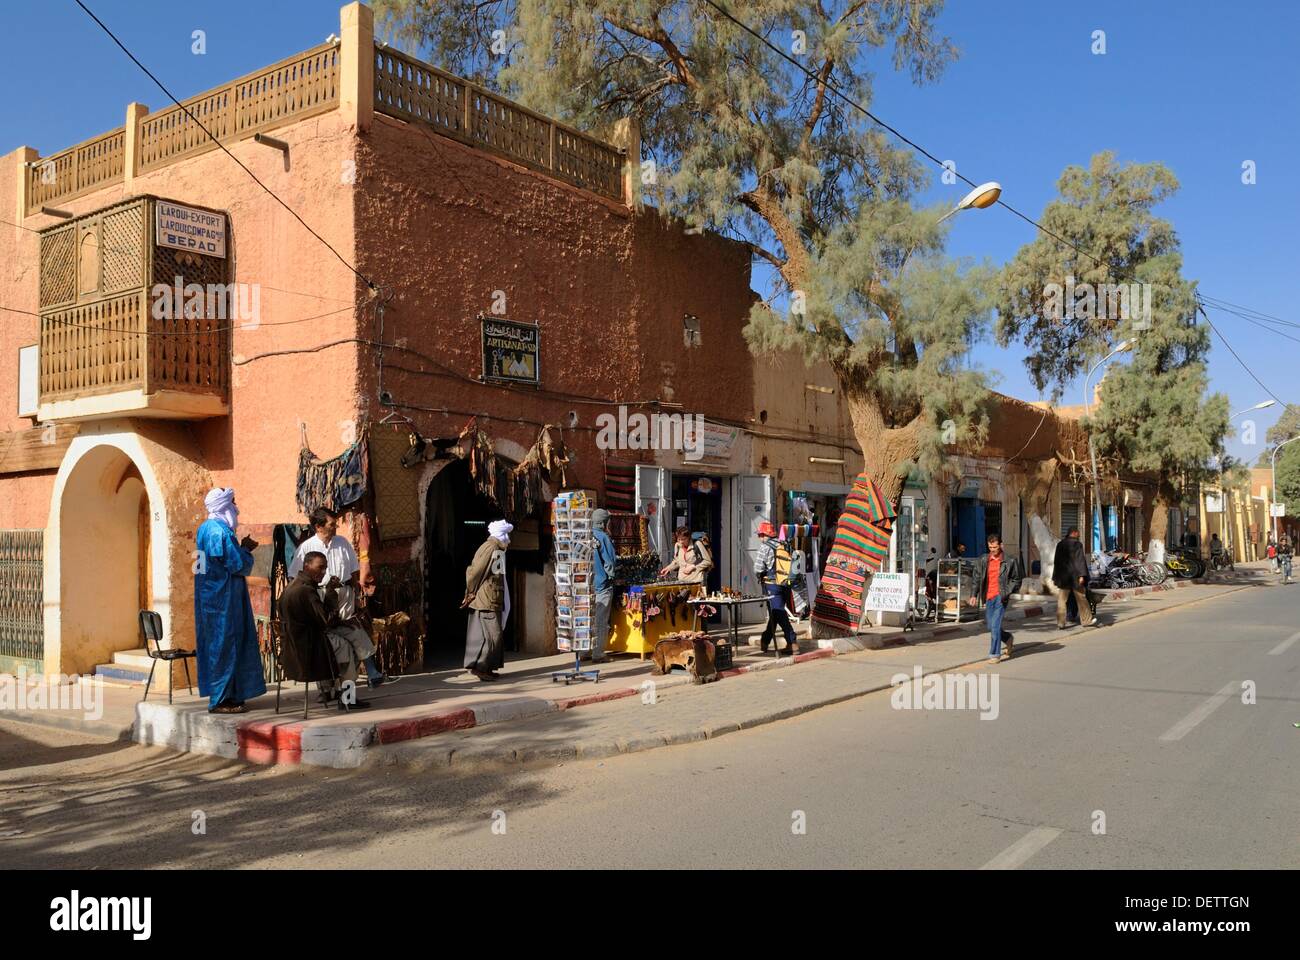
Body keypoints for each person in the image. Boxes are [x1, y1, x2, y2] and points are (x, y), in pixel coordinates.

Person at [288, 507, 386, 690]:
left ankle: (351, 686)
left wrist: (356, 597)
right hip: (320, 598)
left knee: (352, 634)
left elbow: (353, 572)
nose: (335, 528)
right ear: (318, 527)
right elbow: (295, 576)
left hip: (344, 595)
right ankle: (331, 688)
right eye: (332, 525)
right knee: (344, 637)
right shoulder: (306, 548)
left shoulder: (342, 543)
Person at [194, 488, 266, 714]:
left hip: (209, 596)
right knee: (226, 645)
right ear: (224, 505)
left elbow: (200, 564)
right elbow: (237, 565)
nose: (236, 508)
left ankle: (230, 694)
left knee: (218, 645)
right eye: (233, 503)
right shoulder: (220, 533)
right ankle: (221, 699)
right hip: (223, 600)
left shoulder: (204, 529)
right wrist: (245, 549)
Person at [279, 551, 371, 711]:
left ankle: (333, 689)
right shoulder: (306, 591)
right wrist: (330, 593)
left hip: (294, 644)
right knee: (348, 649)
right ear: (306, 566)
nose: (323, 573)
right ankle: (347, 697)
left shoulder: (291, 587)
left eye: (325, 568)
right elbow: (326, 621)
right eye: (320, 568)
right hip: (309, 645)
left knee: (348, 637)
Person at [463, 519, 512, 681]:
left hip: (493, 598)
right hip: (487, 599)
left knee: (492, 636)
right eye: (507, 536)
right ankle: (481, 668)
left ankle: (488, 668)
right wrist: (470, 592)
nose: (509, 540)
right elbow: (476, 572)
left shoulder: (497, 548)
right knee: (493, 636)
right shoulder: (490, 548)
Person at [968, 533, 1022, 662]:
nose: (992, 550)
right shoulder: (983, 560)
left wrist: (1006, 592)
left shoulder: (1010, 561)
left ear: (1001, 545)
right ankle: (1008, 638)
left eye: (995, 547)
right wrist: (973, 595)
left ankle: (994, 654)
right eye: (990, 548)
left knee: (995, 625)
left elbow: (1017, 579)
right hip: (988, 596)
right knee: (990, 626)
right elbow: (976, 578)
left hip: (1000, 597)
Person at [755, 520, 798, 655]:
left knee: (779, 613)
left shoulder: (765, 547)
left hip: (772, 584)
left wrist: (760, 575)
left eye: (760, 535)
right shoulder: (784, 544)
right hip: (786, 583)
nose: (759, 538)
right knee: (775, 613)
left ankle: (792, 642)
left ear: (764, 534)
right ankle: (765, 640)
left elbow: (758, 568)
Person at [1052, 526, 1096, 629]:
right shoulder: (1077, 544)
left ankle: (1060, 623)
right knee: (1082, 599)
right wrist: (1082, 575)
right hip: (1075, 577)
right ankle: (1086, 620)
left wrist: (1055, 577)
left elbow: (1056, 562)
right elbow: (1080, 561)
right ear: (1074, 533)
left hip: (1063, 578)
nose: (1079, 534)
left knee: (1062, 600)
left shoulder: (1060, 544)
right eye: (1078, 532)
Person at [590, 508, 616, 664]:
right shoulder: (603, 537)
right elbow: (610, 562)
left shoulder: (584, 536)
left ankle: (584, 651)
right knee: (600, 620)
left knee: (588, 619)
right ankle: (598, 653)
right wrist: (612, 577)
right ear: (603, 522)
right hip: (602, 585)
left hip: (587, 587)